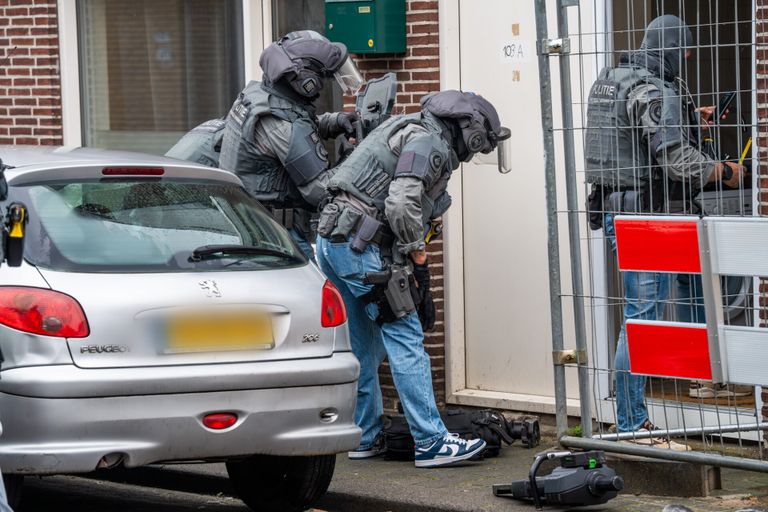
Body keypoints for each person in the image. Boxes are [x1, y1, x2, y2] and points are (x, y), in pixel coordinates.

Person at [315, 90, 511, 467]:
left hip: (334, 241)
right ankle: (431, 441)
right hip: (360, 246)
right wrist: (416, 249)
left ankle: (365, 436)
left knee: (363, 344)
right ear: (470, 131)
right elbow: (401, 203)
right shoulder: (427, 143)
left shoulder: (407, 127)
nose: (478, 152)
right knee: (405, 334)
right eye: (481, 144)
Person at [584, 15, 747, 445]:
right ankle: (631, 424)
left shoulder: (612, 77)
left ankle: (701, 378)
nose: (687, 60)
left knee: (695, 287)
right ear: (673, 47)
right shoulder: (652, 89)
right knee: (642, 319)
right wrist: (725, 171)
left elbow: (633, 134)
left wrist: (691, 117)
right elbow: (674, 160)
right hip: (646, 219)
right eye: (686, 53)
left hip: (633, 211)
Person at [216, 30, 363, 260]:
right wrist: (356, 159)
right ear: (307, 82)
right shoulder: (279, 122)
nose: (324, 85)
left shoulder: (260, 95)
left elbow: (298, 127)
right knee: (316, 293)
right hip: (274, 237)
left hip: (252, 224)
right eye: (323, 78)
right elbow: (319, 191)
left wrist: (335, 122)